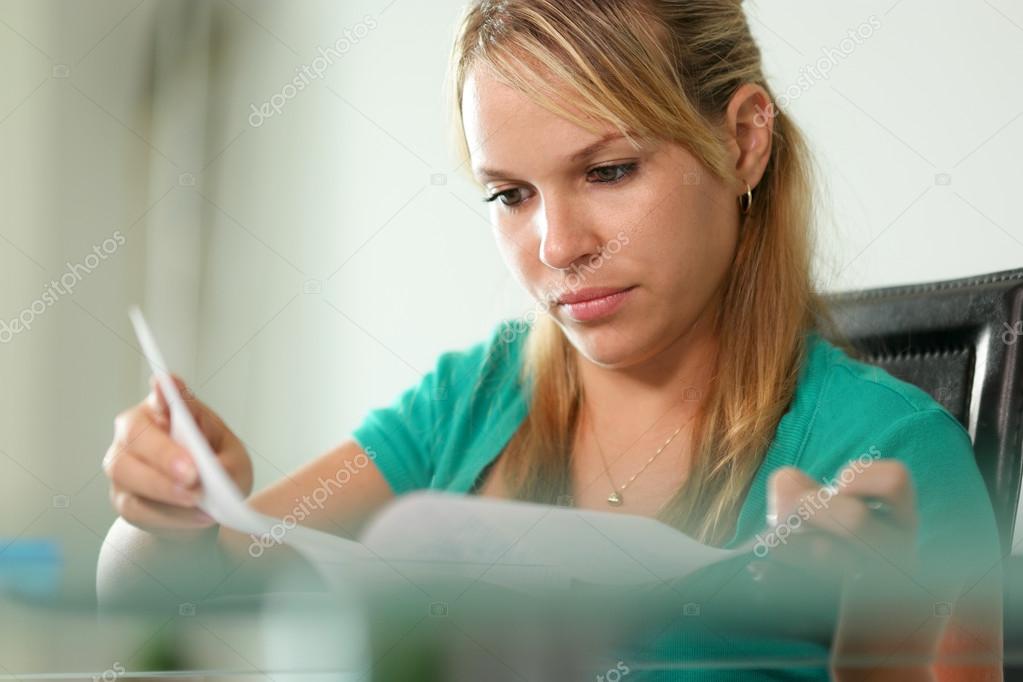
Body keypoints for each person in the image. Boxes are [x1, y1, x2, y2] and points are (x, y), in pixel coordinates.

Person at [98, 0, 1003, 679]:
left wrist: (879, 653)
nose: (557, 247)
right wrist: (163, 515)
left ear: (742, 141)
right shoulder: (472, 400)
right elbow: (166, 595)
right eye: (510, 195)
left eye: (608, 171)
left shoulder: (890, 458)